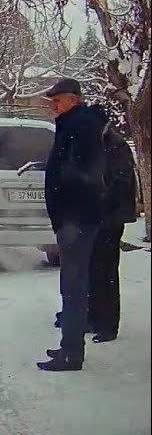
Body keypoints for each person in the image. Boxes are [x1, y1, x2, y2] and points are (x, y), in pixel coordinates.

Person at [37, 78, 107, 372]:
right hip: (74, 217)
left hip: (76, 218)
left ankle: (72, 353)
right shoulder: (74, 125)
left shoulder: (79, 128)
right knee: (73, 284)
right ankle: (70, 345)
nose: (53, 105)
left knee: (74, 285)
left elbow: (79, 174)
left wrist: (65, 204)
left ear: (73, 100)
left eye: (57, 100)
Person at [89, 121, 138, 342]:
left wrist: (100, 199)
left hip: (111, 216)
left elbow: (121, 180)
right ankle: (94, 317)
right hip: (98, 216)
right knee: (94, 268)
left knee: (106, 270)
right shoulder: (99, 143)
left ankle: (108, 325)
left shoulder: (115, 145)